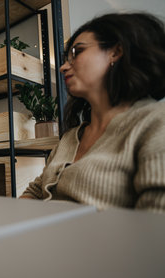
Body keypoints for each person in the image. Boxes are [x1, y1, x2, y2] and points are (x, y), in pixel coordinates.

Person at [20, 12, 165, 213]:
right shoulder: (70, 138)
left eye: (76, 52)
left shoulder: (156, 121)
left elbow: (155, 228)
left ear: (115, 52)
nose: (63, 67)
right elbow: (35, 192)